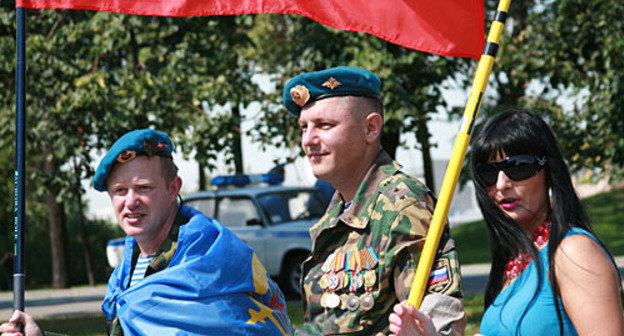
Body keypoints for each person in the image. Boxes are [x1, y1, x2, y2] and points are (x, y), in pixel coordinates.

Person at [0, 129, 293, 336]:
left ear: (173, 189)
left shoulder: (208, 260)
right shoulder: (125, 273)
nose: (130, 202)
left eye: (143, 188)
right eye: (119, 191)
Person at [388, 110, 624, 335]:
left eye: (518, 166)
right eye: (488, 172)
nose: (501, 184)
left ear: (549, 169)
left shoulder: (573, 252)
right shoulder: (514, 259)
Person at [283, 66, 466, 335]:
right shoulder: (338, 210)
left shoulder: (401, 206)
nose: (308, 140)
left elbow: (435, 324)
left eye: (324, 125)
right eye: (304, 127)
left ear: (370, 128)